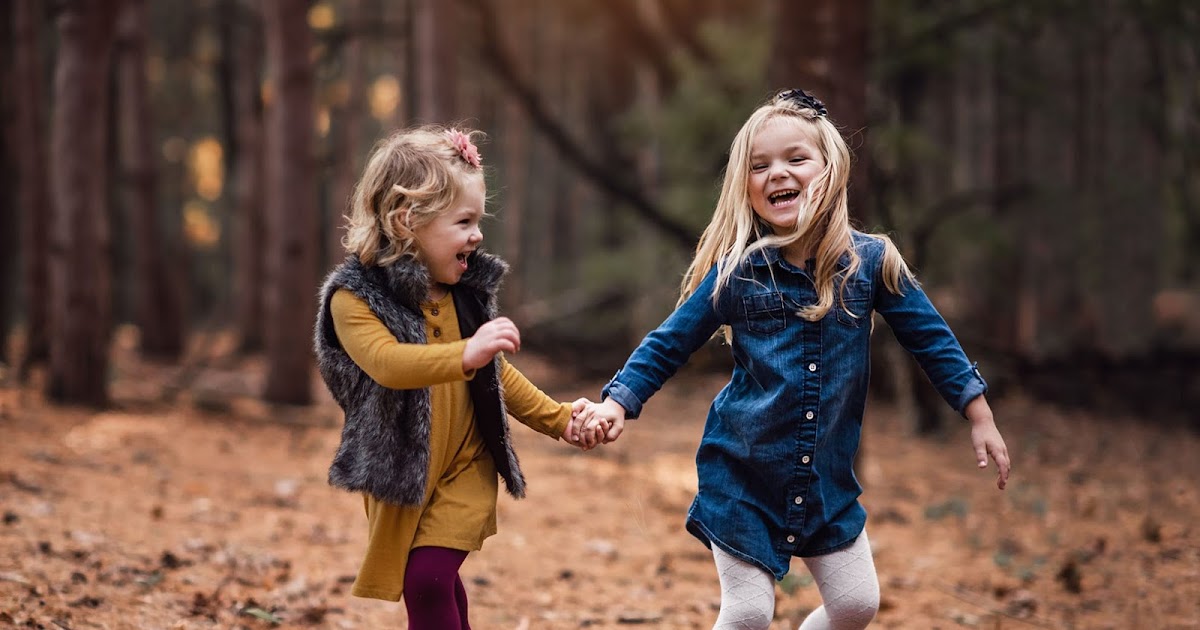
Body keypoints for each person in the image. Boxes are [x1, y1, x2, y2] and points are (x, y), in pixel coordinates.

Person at [576, 90, 1011, 629]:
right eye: (760, 166)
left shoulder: (871, 263)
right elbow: (670, 342)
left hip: (827, 483)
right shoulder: (738, 272)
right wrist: (617, 402)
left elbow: (931, 338)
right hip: (742, 479)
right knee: (749, 613)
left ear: (831, 169)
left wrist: (979, 413)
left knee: (856, 605)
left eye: (795, 159)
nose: (776, 173)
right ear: (747, 186)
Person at [313, 125, 602, 629]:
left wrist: (561, 420)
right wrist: (464, 352)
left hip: (467, 461)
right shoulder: (354, 299)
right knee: (430, 584)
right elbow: (387, 363)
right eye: (464, 221)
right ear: (407, 223)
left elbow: (498, 377)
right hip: (400, 468)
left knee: (427, 578)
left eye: (479, 220)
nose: (478, 234)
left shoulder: (462, 294)